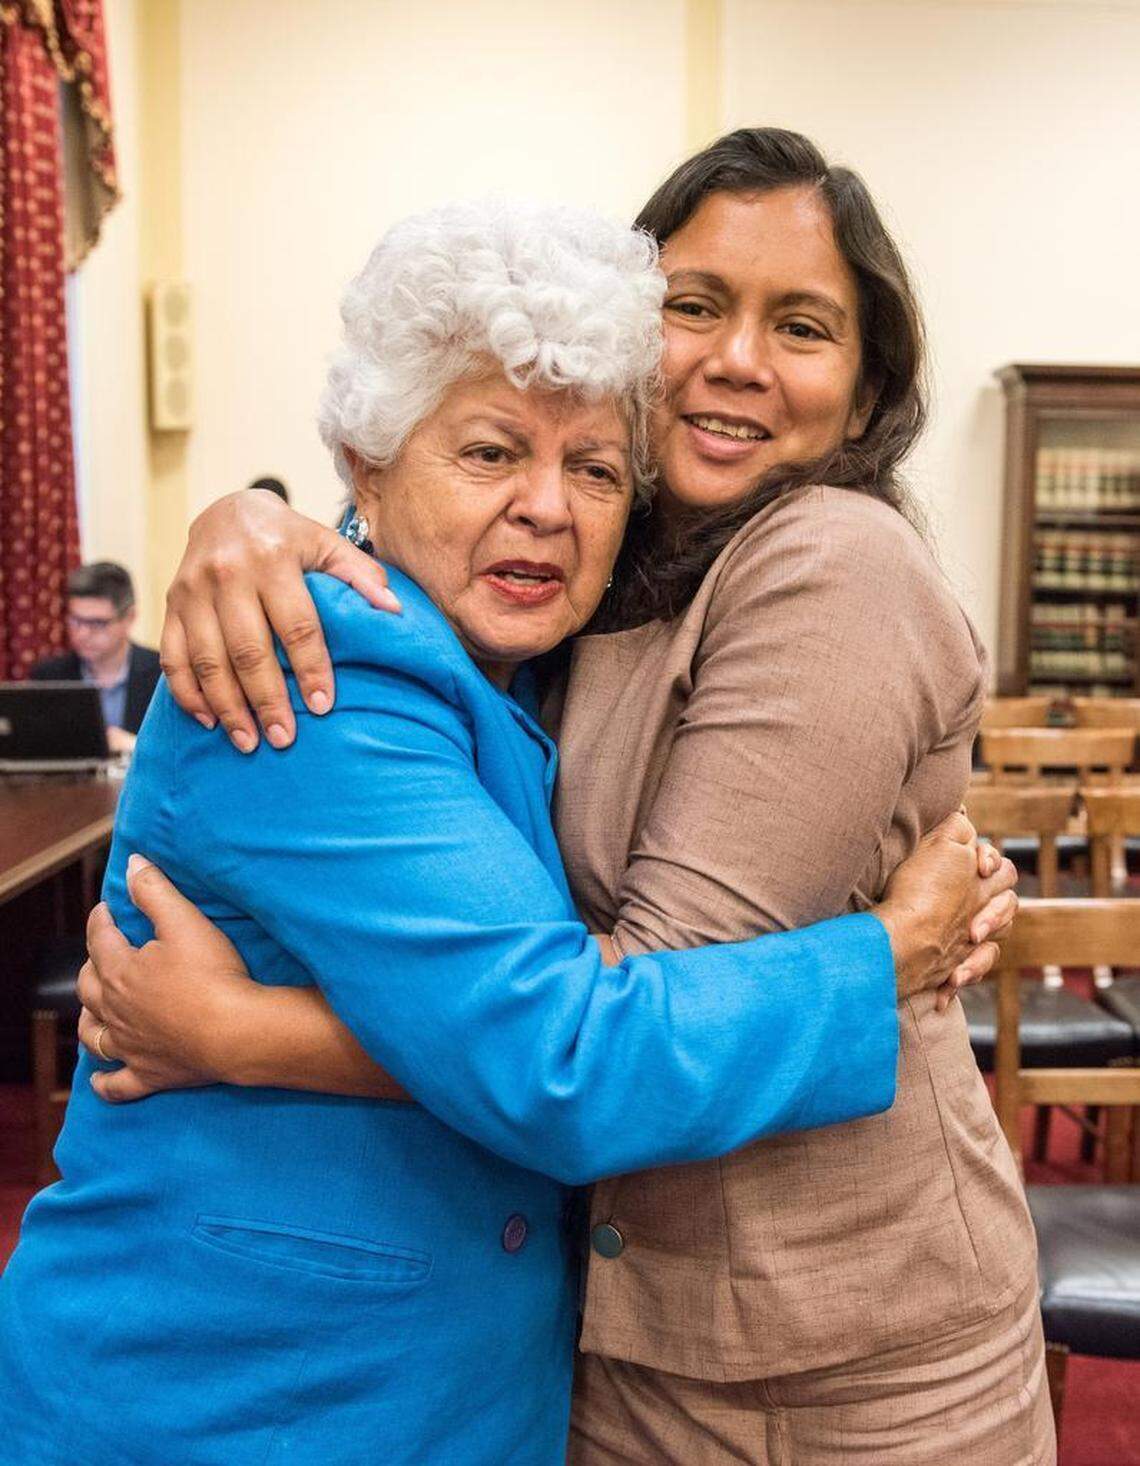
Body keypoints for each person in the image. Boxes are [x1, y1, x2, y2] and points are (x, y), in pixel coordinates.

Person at [0, 200, 1012, 1466]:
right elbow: (559, 1053)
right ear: (365, 465)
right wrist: (887, 951)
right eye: (488, 453)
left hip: (470, 1382)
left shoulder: (524, 656)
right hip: (240, 1388)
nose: (548, 505)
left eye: (594, 467)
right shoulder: (316, 685)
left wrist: (250, 1031)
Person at [30, 561, 160, 753]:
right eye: (75, 620)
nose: (81, 634)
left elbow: (185, 752)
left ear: (129, 618)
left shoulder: (162, 673)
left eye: (97, 623)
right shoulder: (48, 676)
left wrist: (136, 745)